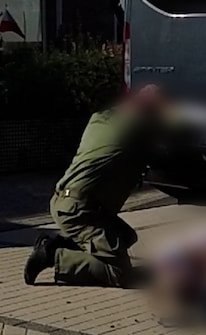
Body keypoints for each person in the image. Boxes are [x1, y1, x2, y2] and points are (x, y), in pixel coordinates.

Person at [24, 85, 175, 287]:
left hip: (67, 201)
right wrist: (167, 109)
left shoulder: (100, 118)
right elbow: (179, 127)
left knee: (125, 236)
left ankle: (59, 243)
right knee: (119, 273)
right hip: (80, 210)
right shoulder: (137, 126)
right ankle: (54, 256)